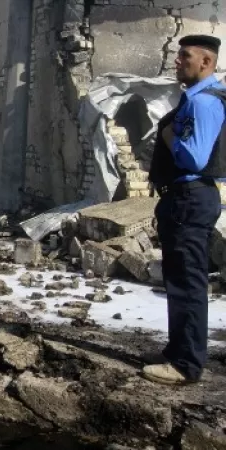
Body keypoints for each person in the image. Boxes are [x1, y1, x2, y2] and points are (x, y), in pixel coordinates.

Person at [144, 34, 226, 385]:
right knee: (179, 278)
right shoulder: (196, 98)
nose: (177, 61)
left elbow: (194, 157)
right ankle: (177, 351)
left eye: (185, 56)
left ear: (206, 62)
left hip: (190, 198)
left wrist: (168, 137)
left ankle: (185, 364)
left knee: (188, 282)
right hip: (186, 198)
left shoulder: (204, 103)